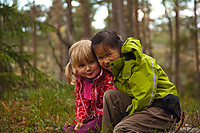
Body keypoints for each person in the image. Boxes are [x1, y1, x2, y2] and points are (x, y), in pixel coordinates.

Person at [91, 30, 181, 133]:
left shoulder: (140, 62)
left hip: (163, 110)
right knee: (110, 95)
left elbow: (145, 98)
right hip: (144, 109)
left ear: (120, 48)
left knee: (122, 129)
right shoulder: (116, 68)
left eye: (109, 54)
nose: (106, 61)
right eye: (100, 58)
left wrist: (126, 117)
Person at [62, 39, 118, 133]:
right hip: (93, 117)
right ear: (75, 67)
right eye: (82, 65)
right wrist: (80, 121)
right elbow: (81, 104)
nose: (88, 68)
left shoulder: (106, 78)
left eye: (91, 62)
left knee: (86, 130)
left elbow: (112, 104)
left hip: (106, 117)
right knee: (70, 128)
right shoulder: (81, 82)